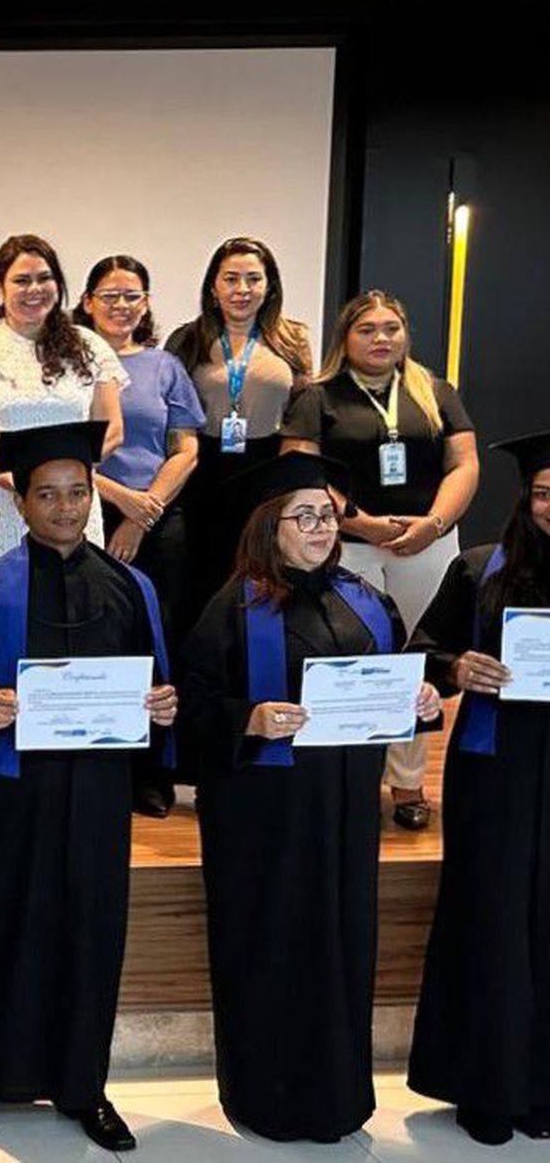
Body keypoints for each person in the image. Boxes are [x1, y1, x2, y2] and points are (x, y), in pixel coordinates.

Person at [179, 452, 441, 1143]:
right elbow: (191, 710)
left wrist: (418, 701)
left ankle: (338, 1098)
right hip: (262, 820)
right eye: (306, 517)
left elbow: (392, 686)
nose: (323, 527)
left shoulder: (365, 597)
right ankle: (263, 1097)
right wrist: (251, 717)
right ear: (271, 527)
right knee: (270, 944)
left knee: (342, 939)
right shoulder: (231, 608)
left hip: (347, 810)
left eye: (329, 515)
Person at [0, 422, 177, 1153]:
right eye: (49, 494)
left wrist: (161, 708)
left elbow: (159, 689)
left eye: (77, 492)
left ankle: (84, 1086)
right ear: (23, 500)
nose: (66, 508)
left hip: (97, 794)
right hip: (10, 795)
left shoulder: (132, 587)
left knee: (91, 932)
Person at [281, 290, 478, 830]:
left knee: (418, 665)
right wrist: (357, 521)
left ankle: (409, 783)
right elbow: (302, 470)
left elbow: (463, 462)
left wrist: (433, 524)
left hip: (428, 544)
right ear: (345, 337)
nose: (381, 338)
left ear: (405, 334)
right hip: (347, 546)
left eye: (391, 328)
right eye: (367, 329)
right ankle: (351, 778)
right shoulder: (318, 396)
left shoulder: (435, 390)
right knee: (357, 662)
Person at [406, 431, 550, 1145]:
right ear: (528, 496)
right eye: (546, 492)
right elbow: (419, 656)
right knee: (491, 916)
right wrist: (458, 669)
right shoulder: (477, 568)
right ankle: (488, 1088)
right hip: (497, 767)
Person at [74, 254, 205, 817]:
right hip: (85, 514)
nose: (121, 305)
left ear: (146, 303)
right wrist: (117, 502)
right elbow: (60, 450)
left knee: (157, 642)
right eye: (109, 295)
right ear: (86, 302)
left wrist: (141, 513)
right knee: (98, 641)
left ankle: (153, 771)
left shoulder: (163, 366)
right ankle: (102, 760)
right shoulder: (70, 361)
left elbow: (187, 449)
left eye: (132, 295)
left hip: (159, 519)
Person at [0, 234, 126, 584]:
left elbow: (112, 428)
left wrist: (62, 479)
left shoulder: (90, 347)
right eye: (21, 280)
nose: (34, 289)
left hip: (72, 508)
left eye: (44, 278)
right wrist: (16, 480)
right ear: (0, 288)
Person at [165, 236, 314, 627]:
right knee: (200, 579)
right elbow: (171, 412)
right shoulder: (187, 338)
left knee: (260, 574)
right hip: (202, 471)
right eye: (231, 278)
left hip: (266, 469)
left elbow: (302, 409)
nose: (242, 290)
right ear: (213, 286)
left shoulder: (292, 339)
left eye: (254, 278)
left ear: (270, 286)